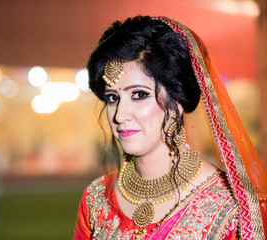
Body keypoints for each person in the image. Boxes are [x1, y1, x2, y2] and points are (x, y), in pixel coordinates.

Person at [73, 16, 267, 240]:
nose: (120, 115)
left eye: (139, 95)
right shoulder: (96, 199)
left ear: (177, 101)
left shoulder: (231, 208)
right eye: (113, 98)